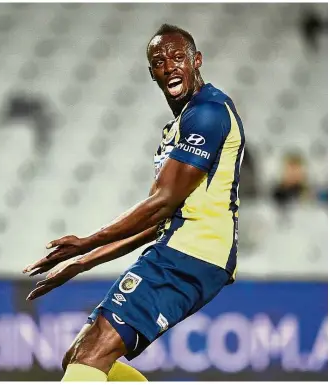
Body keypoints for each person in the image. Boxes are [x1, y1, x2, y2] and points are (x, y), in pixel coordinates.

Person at [23, 24, 245, 381]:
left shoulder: (209, 113)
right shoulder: (180, 125)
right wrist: (83, 263)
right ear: (152, 73)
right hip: (181, 249)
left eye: (177, 57)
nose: (170, 66)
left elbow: (162, 202)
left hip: (193, 253)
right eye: (160, 61)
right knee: (80, 357)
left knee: (91, 355)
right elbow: (160, 218)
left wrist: (86, 242)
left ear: (196, 61)